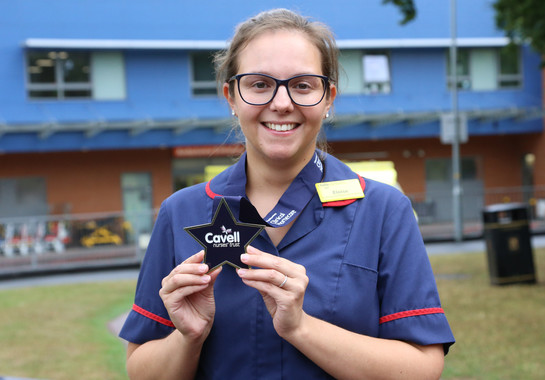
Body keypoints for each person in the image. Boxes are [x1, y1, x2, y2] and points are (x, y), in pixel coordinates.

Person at [119, 8, 455, 379]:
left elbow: (424, 367)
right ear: (231, 96)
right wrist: (188, 338)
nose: (281, 103)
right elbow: (140, 370)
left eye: (303, 85)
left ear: (328, 98)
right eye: (260, 84)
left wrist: (301, 328)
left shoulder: (383, 211)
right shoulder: (181, 212)